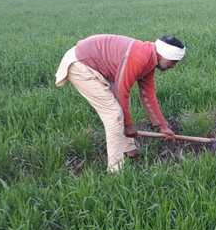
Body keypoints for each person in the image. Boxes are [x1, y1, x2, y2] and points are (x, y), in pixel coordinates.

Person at [55, 34, 185, 172]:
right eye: (173, 62)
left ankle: (129, 149)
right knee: (113, 114)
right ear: (164, 55)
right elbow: (121, 92)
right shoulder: (139, 58)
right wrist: (128, 125)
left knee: (119, 109)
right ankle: (115, 170)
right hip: (81, 65)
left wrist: (162, 126)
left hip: (94, 64)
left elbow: (148, 95)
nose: (173, 66)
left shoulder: (149, 61)